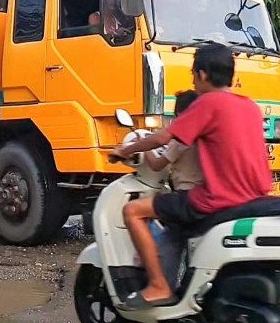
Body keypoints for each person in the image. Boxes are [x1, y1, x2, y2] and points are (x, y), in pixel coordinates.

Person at [113, 43, 271, 309]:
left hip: (216, 199)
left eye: (193, 75)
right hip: (253, 199)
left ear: (203, 75)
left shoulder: (207, 103)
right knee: (174, 222)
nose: (194, 82)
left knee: (133, 212)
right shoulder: (250, 107)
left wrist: (124, 150)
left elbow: (162, 138)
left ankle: (159, 286)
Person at [143, 90, 203, 191]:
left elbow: (156, 165)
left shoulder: (180, 139)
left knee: (132, 207)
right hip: (204, 192)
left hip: (185, 193)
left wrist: (144, 148)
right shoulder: (206, 135)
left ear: (180, 114)